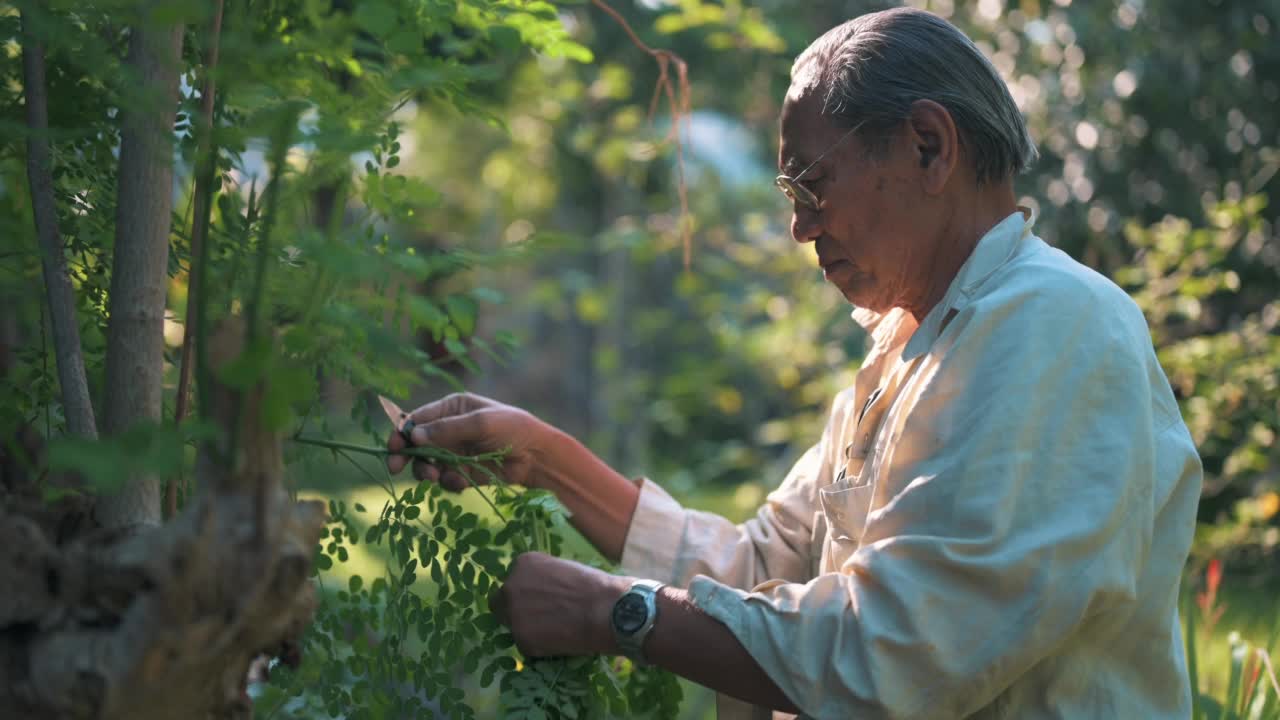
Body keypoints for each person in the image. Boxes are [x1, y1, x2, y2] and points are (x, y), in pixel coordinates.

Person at [387, 7, 1202, 719]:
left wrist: (616, 613)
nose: (801, 230)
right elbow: (760, 569)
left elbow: (891, 659)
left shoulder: (1052, 325)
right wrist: (544, 458)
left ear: (928, 146)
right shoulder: (911, 347)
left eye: (812, 185)